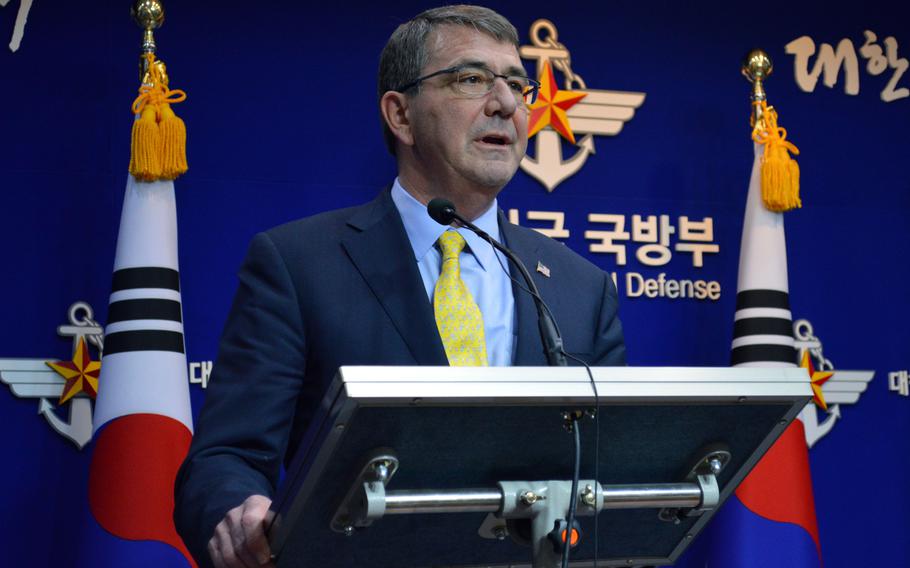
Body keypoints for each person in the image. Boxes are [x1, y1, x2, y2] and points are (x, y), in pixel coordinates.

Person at [174, 5, 625, 567]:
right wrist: (236, 512)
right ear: (400, 115)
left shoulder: (580, 288)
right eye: (471, 79)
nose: (506, 104)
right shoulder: (298, 264)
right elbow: (227, 457)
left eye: (516, 83)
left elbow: (615, 475)